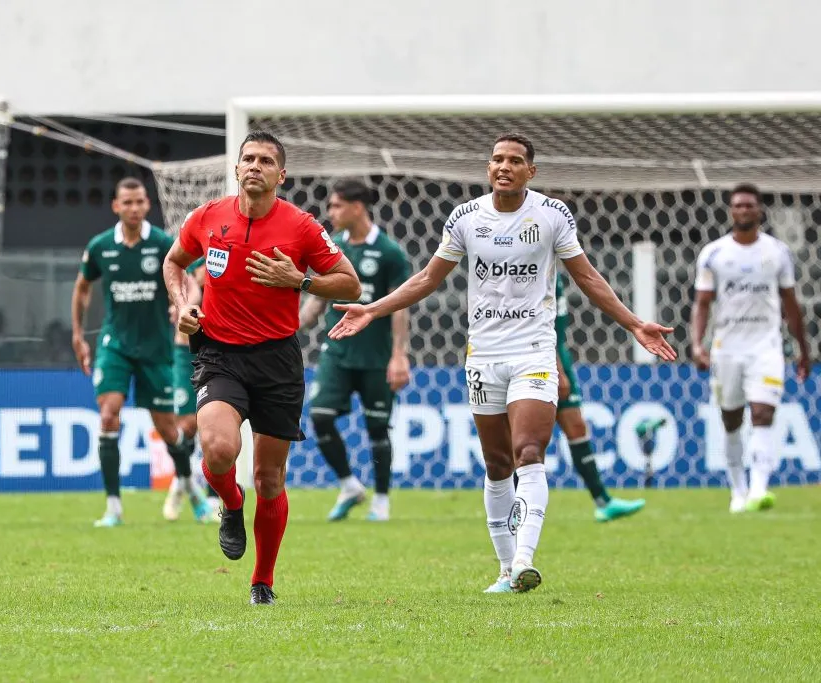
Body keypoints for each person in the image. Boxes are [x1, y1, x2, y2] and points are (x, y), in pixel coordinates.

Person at [330, 133, 675, 594]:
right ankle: (505, 567)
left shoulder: (552, 216)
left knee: (529, 453)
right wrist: (373, 308)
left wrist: (634, 324)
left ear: (531, 171)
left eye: (514, 160)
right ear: (488, 167)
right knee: (496, 465)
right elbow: (429, 278)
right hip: (483, 356)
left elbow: (588, 277)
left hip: (533, 350)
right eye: (496, 159)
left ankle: (525, 561)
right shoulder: (466, 218)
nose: (503, 166)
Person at [163, 131, 361, 605]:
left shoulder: (303, 227)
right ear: (236, 169)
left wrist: (302, 279)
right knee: (217, 449)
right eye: (248, 158)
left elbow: (350, 285)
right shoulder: (207, 218)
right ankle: (231, 505)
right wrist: (183, 303)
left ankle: (262, 581)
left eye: (266, 160)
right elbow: (174, 263)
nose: (255, 166)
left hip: (276, 359)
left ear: (281, 174)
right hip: (219, 355)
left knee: (270, 479)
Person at [71, 177, 213, 527]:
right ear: (116, 206)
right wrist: (77, 334)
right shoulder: (101, 246)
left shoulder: (163, 243)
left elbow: (192, 282)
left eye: (139, 202)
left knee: (169, 429)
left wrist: (184, 305)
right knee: (108, 414)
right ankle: (114, 508)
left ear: (147, 205)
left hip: (155, 349)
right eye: (127, 203)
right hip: (114, 345)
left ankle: (191, 491)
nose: (133, 208)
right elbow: (82, 288)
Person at [691, 183, 810, 513]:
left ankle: (759, 489)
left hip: (766, 347)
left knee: (762, 413)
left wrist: (803, 348)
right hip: (726, 348)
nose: (743, 210)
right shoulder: (714, 253)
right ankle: (738, 490)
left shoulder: (777, 252)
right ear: (731, 211)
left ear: (760, 211)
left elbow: (791, 303)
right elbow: (702, 304)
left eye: (749, 206)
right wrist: (697, 344)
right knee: (731, 419)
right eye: (738, 206)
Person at [299, 178, 411, 522]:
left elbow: (400, 308)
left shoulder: (390, 253)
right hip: (336, 353)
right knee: (319, 416)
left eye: (336, 205)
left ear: (357, 207)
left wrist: (398, 355)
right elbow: (317, 298)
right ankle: (349, 485)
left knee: (377, 428)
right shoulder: (332, 247)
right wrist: (287, 327)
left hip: (376, 356)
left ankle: (381, 501)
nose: (330, 212)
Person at [554, 273, 645, 522]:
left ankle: (603, 501)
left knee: (576, 426)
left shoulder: (554, 272)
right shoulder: (530, 268)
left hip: (558, 354)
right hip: (543, 359)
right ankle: (514, 510)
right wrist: (558, 369)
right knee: (527, 441)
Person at [172, 257, 220, 514]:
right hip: (184, 354)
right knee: (188, 425)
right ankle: (183, 480)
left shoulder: (226, 266)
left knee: (213, 425)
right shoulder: (184, 272)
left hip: (214, 354)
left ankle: (212, 495)